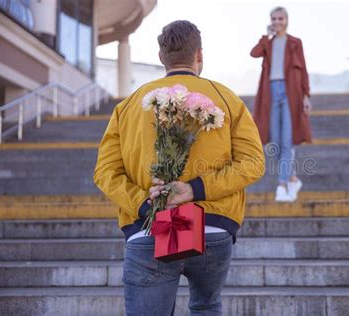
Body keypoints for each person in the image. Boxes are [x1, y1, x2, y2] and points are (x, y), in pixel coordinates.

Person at [94, 20, 265, 316]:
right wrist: (195, 189)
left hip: (149, 228)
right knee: (206, 306)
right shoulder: (227, 99)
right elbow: (253, 163)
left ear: (161, 57)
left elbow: (105, 172)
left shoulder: (129, 105)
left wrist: (145, 204)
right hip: (212, 225)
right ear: (199, 55)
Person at [250, 6, 312, 202]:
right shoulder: (268, 43)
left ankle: (283, 184)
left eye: (280, 19)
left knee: (286, 141)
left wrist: (306, 95)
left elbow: (303, 70)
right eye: (274, 19)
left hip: (290, 92)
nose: (277, 22)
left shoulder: (295, 43)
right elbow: (254, 53)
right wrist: (265, 36)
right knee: (274, 142)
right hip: (271, 93)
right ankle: (293, 178)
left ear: (287, 20)